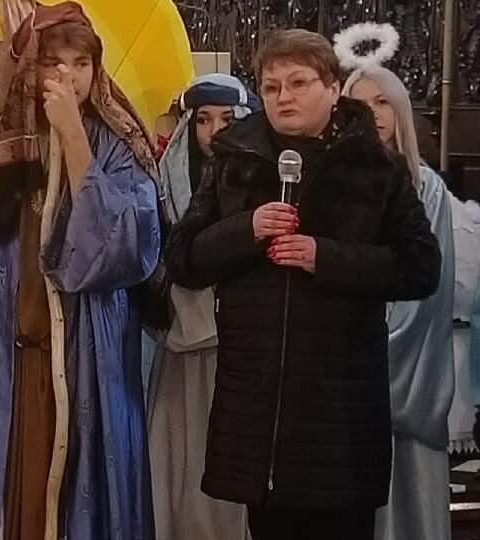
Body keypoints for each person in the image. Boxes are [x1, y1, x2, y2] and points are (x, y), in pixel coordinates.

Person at [164, 28, 441, 540]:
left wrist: (326, 257)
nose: (283, 97)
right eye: (271, 87)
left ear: (332, 88)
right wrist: (245, 230)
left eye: (298, 83)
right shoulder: (235, 161)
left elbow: (421, 267)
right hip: (259, 414)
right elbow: (183, 258)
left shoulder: (375, 167)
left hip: (339, 414)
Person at [0, 3, 160, 540]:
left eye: (81, 63)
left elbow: (128, 248)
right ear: (30, 68)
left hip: (89, 360)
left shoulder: (120, 141)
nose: (68, 76)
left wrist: (74, 138)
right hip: (6, 358)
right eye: (53, 63)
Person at [344, 64, 455, 540]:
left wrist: (377, 353)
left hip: (405, 366)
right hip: (347, 366)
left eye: (382, 102)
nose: (373, 114)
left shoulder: (427, 188)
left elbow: (430, 283)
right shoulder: (338, 187)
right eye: (361, 104)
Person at [147, 73, 257, 540]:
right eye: (204, 120)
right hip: (180, 345)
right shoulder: (164, 185)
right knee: (180, 459)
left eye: (227, 120)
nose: (214, 132)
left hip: (242, 347)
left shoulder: (262, 178)